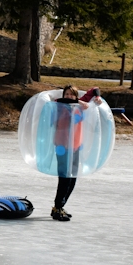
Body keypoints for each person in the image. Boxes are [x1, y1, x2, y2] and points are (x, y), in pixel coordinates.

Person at [50, 85, 102, 222]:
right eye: (66, 94)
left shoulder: (79, 105)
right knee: (64, 177)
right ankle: (57, 208)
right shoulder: (59, 104)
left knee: (72, 177)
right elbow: (58, 100)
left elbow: (94, 89)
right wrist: (79, 102)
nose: (68, 96)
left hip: (75, 146)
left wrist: (97, 97)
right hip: (62, 146)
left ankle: (59, 207)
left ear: (76, 95)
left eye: (71, 94)